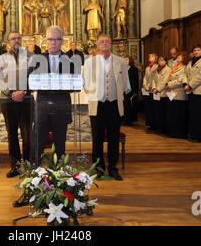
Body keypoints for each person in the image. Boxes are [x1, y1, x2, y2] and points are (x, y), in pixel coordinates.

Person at [83, 34, 127, 180]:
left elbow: (123, 83)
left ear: (111, 44)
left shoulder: (120, 61)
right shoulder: (90, 62)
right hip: (98, 105)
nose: (105, 43)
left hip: (114, 105)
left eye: (107, 41)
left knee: (114, 138)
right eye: (102, 42)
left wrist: (113, 95)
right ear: (97, 45)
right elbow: (86, 82)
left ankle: (113, 168)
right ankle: (99, 167)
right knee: (97, 138)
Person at [0, 32, 33, 180]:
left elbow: (35, 76)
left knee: (27, 135)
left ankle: (29, 167)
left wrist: (23, 91)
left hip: (26, 99)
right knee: (12, 134)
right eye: (13, 38)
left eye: (18, 38)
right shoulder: (2, 58)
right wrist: (11, 92)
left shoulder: (31, 56)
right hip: (7, 100)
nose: (16, 40)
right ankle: (15, 166)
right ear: (8, 42)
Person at [34, 26, 73, 164]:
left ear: (62, 41)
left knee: (60, 143)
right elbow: (31, 81)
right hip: (42, 107)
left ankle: (59, 173)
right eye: (50, 39)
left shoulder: (70, 60)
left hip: (61, 107)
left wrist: (70, 82)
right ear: (45, 41)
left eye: (56, 39)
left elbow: (74, 85)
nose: (53, 42)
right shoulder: (37, 59)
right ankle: (35, 172)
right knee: (38, 142)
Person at [184, 45, 201, 143]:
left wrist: (190, 85)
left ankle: (200, 136)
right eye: (194, 50)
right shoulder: (190, 62)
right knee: (193, 114)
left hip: (200, 90)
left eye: (198, 50)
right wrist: (185, 83)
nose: (196, 52)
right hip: (191, 91)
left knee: (200, 114)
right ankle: (193, 134)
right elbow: (185, 74)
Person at [165, 53, 188, 138]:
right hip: (172, 93)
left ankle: (179, 133)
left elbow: (180, 81)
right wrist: (167, 84)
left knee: (178, 114)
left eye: (180, 56)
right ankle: (172, 131)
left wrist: (169, 85)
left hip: (179, 93)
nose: (178, 57)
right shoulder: (175, 67)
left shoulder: (184, 68)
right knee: (173, 114)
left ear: (184, 58)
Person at [151, 56, 170, 133]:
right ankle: (158, 126)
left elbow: (165, 81)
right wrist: (153, 88)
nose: (160, 62)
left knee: (163, 111)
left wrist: (158, 89)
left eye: (162, 60)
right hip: (156, 93)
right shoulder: (157, 69)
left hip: (163, 93)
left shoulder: (168, 69)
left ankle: (163, 127)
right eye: (159, 60)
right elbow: (153, 80)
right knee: (157, 110)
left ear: (165, 61)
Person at [143, 53, 158, 129]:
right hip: (147, 89)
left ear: (155, 58)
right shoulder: (147, 68)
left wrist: (148, 86)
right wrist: (145, 85)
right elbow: (145, 77)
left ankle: (154, 124)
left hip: (152, 89)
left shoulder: (156, 67)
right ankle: (149, 123)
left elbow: (154, 78)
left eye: (152, 56)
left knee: (153, 108)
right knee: (148, 107)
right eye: (149, 56)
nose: (150, 57)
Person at [123, 56, 138, 126]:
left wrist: (136, 91)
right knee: (125, 107)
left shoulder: (134, 69)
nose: (125, 60)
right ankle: (125, 121)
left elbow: (136, 81)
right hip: (124, 90)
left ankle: (130, 121)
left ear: (130, 61)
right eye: (124, 59)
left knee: (130, 107)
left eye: (126, 59)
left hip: (131, 90)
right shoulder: (122, 69)